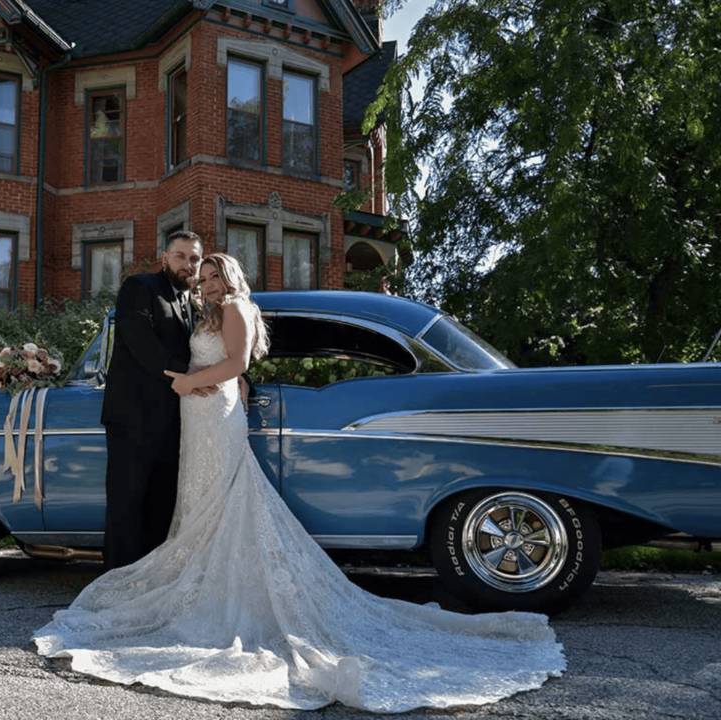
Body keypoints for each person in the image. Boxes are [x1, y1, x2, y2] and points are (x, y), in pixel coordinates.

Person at [35, 253, 565, 712]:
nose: (211, 283)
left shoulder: (237, 309)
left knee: (225, 495)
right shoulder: (206, 312)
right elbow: (227, 362)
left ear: (233, 279)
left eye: (218, 274)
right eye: (206, 276)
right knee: (200, 500)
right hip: (198, 416)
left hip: (210, 411)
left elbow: (236, 360)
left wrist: (188, 381)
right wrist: (208, 377)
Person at [99, 230, 206, 570]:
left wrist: (233, 377)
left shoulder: (193, 304)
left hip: (173, 423)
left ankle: (148, 581)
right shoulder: (139, 288)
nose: (188, 264)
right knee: (126, 505)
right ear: (164, 258)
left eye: (194, 258)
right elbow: (141, 343)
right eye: (181, 256)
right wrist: (194, 380)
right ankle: (117, 584)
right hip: (133, 418)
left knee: (161, 506)